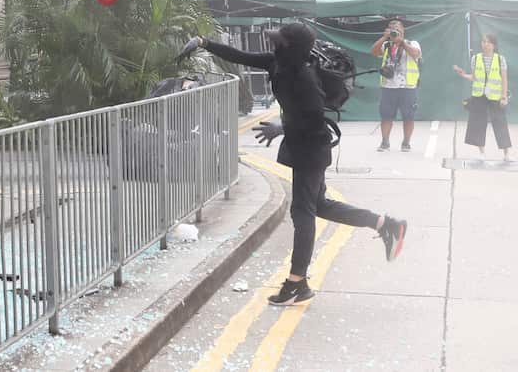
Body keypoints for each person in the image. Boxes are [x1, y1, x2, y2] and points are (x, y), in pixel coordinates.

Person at [192, 23, 407, 305]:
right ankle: (384, 224)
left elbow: (315, 118)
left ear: (289, 46)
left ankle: (297, 282)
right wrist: (203, 42)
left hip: (311, 149)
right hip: (301, 146)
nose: (272, 45)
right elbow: (240, 56)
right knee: (319, 205)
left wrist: (281, 128)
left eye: (278, 41)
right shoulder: (277, 63)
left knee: (302, 213)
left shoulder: (304, 77)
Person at [453, 33, 511, 161]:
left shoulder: (500, 59)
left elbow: (504, 80)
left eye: (488, 42)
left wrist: (503, 97)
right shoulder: (476, 58)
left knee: (500, 123)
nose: (485, 44)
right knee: (477, 123)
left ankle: (506, 154)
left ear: (494, 45)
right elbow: (474, 78)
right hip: (479, 96)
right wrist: (463, 74)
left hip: (495, 96)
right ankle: (481, 153)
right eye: (483, 41)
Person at [369, 18, 422, 152]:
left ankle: (406, 142)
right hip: (389, 87)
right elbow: (374, 52)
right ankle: (385, 142)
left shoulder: (412, 43)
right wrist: (384, 38)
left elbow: (416, 54)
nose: (395, 32)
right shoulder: (386, 45)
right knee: (386, 116)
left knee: (408, 117)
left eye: (398, 29)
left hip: (408, 87)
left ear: (403, 30)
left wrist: (402, 42)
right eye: (393, 30)